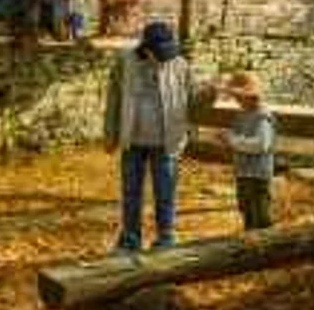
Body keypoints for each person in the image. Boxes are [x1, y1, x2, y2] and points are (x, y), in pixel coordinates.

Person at [104, 21, 216, 251]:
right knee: (130, 193)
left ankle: (166, 237)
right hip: (132, 140)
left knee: (165, 193)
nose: (165, 59)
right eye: (160, 54)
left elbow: (193, 106)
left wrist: (210, 95)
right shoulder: (125, 63)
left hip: (168, 141)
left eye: (168, 53)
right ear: (146, 48)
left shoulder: (180, 64)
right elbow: (113, 100)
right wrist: (110, 134)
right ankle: (130, 238)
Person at [220, 71, 277, 230]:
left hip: (258, 174)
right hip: (244, 171)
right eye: (235, 97)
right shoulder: (243, 114)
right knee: (246, 208)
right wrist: (228, 137)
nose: (237, 100)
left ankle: (265, 244)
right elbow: (238, 135)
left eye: (239, 97)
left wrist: (232, 140)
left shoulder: (262, 116)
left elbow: (261, 145)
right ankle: (249, 240)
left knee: (260, 211)